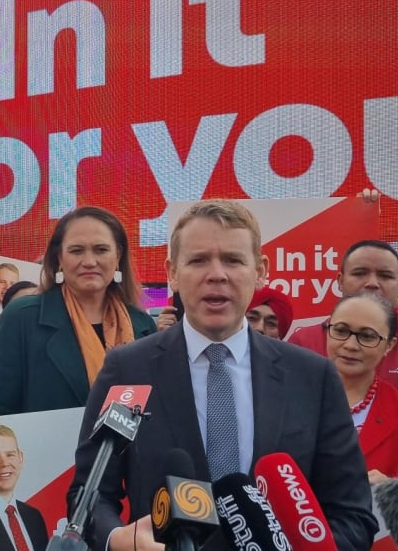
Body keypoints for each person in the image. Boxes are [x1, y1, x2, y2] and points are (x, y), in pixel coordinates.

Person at [69, 200, 377, 551]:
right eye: (198, 260)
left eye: (232, 260)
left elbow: (352, 516)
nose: (216, 274)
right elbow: (90, 494)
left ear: (260, 270)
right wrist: (115, 539)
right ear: (172, 272)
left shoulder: (312, 376)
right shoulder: (128, 369)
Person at [0, 207, 156, 417]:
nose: (89, 261)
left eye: (101, 250)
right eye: (76, 250)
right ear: (59, 257)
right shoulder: (23, 318)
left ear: (118, 255)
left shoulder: (142, 325)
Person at [288, 239, 398, 387]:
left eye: (385, 276)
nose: (372, 283)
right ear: (340, 281)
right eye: (360, 273)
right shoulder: (302, 344)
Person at [324, 293, 398, 484]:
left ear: (390, 345)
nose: (350, 345)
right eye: (340, 331)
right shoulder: (290, 400)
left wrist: (393, 491)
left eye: (367, 336)